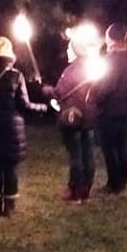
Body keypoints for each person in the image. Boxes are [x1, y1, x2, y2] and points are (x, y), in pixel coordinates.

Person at [0, 37, 47, 216]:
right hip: (12, 127)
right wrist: (42, 107)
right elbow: (23, 105)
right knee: (10, 167)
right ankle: (10, 206)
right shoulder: (15, 76)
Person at [48, 33, 102, 204]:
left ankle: (75, 191)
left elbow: (60, 92)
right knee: (88, 154)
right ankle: (86, 190)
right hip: (90, 116)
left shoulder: (71, 70)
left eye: (69, 46)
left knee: (76, 155)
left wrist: (48, 90)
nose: (67, 49)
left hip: (73, 117)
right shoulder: (95, 66)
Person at [96, 23, 127, 193]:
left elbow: (108, 85)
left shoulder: (113, 59)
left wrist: (96, 98)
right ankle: (123, 178)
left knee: (109, 146)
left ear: (111, 37)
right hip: (126, 106)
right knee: (121, 145)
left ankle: (114, 183)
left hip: (111, 108)